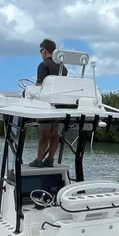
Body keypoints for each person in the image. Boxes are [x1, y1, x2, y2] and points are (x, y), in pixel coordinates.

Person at [30, 38, 68, 167]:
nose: (41, 54)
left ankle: (39, 161)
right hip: (59, 106)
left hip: (46, 106)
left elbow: (39, 86)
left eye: (41, 51)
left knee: (44, 134)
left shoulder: (43, 65)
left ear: (45, 50)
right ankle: (50, 159)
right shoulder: (64, 68)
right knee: (55, 133)